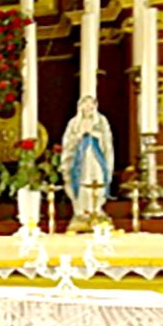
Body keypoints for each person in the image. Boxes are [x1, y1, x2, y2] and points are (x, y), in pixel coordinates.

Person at [60, 94, 114, 229]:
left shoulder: (101, 121)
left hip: (96, 156)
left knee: (98, 180)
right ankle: (82, 210)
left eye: (91, 105)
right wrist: (80, 135)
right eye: (86, 105)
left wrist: (95, 135)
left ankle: (97, 209)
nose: (88, 108)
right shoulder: (74, 123)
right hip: (81, 159)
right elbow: (68, 142)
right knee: (81, 181)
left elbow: (107, 141)